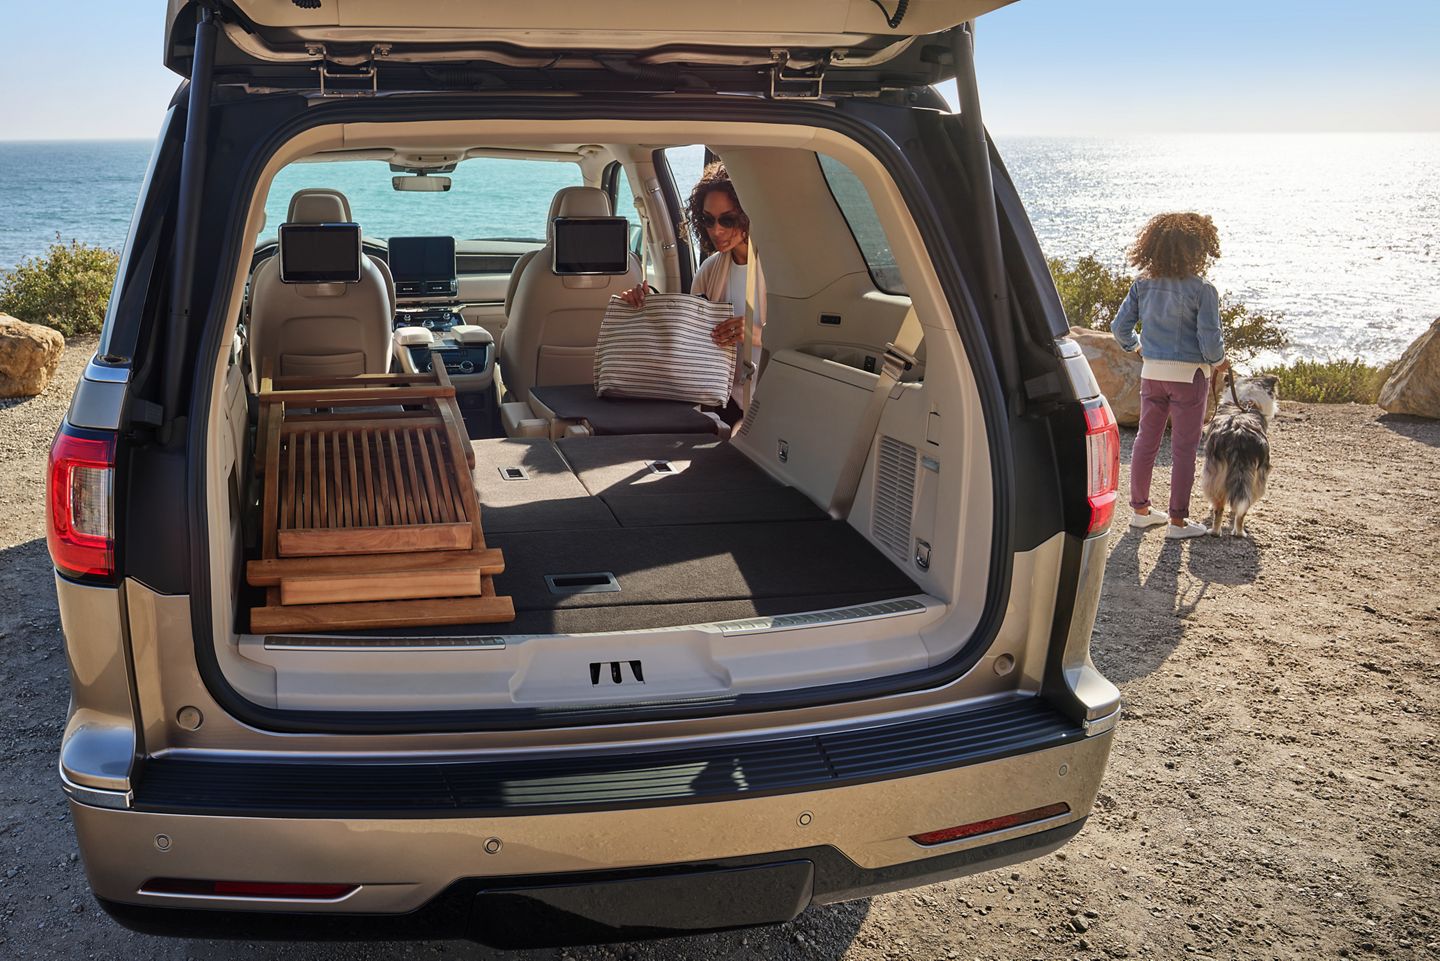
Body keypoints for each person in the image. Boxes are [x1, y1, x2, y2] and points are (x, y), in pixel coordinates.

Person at [1112, 212, 1230, 540]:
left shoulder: (1143, 285)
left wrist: (1137, 348)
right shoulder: (1203, 290)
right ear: (1199, 248)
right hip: (1190, 377)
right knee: (1183, 449)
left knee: (1145, 441)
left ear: (1154, 247)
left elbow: (1119, 329)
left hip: (1152, 374)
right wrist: (1220, 362)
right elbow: (1210, 343)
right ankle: (1177, 522)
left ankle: (1140, 512)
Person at [618, 161, 765, 422]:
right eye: (708, 220)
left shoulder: (779, 272)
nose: (716, 230)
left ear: (748, 214)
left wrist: (755, 334)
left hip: (769, 400)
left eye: (727, 220)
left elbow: (806, 342)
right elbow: (692, 339)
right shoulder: (710, 270)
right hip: (720, 399)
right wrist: (645, 308)